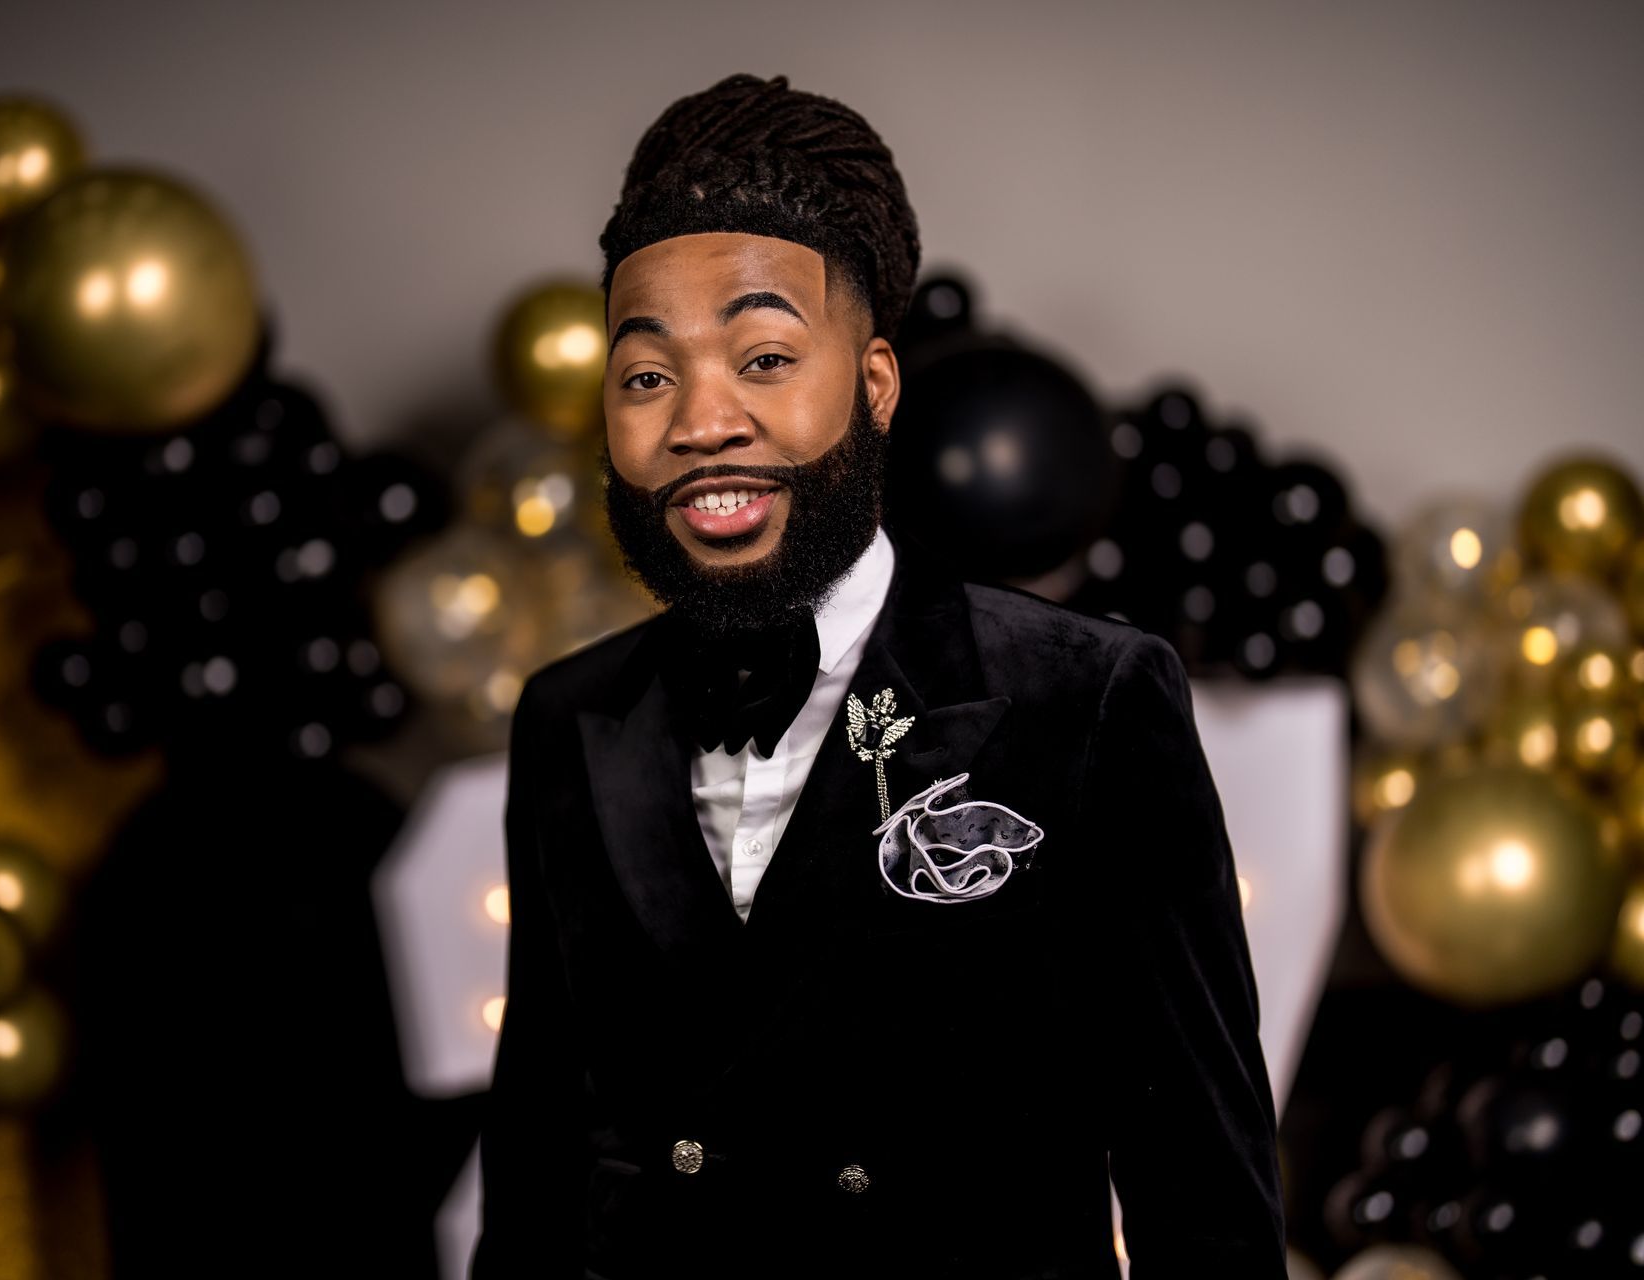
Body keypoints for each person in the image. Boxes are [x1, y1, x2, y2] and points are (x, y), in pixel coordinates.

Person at [472, 72, 1285, 1279]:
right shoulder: (568, 714)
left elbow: (1202, 1197)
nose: (702, 421)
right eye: (647, 376)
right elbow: (538, 1168)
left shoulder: (1088, 698)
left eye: (762, 357)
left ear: (876, 382)